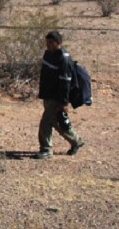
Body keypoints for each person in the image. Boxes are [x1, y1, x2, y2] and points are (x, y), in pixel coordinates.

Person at [33, 31, 85, 159]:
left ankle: (46, 150)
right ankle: (76, 141)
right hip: (48, 95)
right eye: (47, 42)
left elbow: (65, 84)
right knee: (56, 122)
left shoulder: (64, 59)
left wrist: (64, 102)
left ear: (59, 43)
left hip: (57, 98)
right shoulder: (49, 55)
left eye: (51, 43)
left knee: (45, 123)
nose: (48, 45)